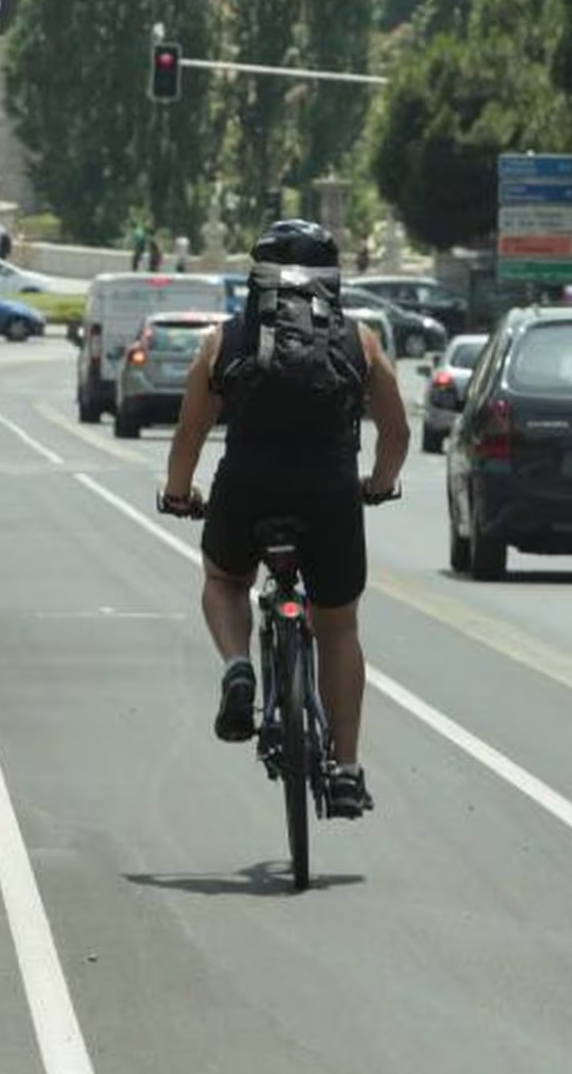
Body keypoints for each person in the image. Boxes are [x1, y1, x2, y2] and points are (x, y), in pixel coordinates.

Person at [157, 219, 412, 819]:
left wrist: (177, 494)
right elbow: (397, 433)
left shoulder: (226, 341)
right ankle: (346, 771)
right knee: (338, 627)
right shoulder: (363, 341)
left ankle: (239, 666)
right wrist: (375, 484)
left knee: (224, 580)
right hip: (330, 494)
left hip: (247, 488)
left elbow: (190, 434)